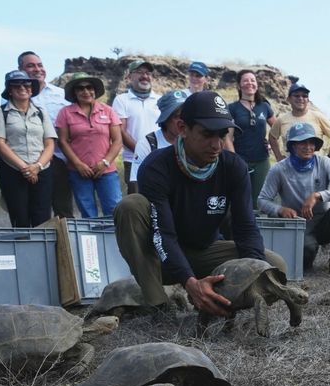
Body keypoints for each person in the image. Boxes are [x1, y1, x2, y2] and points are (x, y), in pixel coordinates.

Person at [113, 91, 286, 316]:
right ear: (183, 128)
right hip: (160, 256)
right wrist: (189, 281)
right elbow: (163, 234)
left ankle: (216, 303)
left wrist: (255, 273)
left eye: (222, 135)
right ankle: (159, 304)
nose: (216, 145)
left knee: (274, 267)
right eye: (207, 134)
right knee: (130, 206)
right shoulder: (156, 167)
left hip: (204, 252)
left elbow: (245, 226)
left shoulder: (234, 167)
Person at [259, 122, 330, 272]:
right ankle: (309, 250)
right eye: (302, 142)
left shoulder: (325, 163)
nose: (308, 146)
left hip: (324, 222)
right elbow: (262, 201)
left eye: (311, 142)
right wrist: (280, 210)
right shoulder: (279, 169)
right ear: (292, 146)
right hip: (298, 224)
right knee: (304, 260)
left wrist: (318, 196)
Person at [0, 70, 55, 227]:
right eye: (16, 85)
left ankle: (43, 251)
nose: (22, 88)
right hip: (13, 171)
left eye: (26, 85)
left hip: (42, 170)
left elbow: (50, 143)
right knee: (20, 217)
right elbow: (0, 143)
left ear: (32, 89)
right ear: (10, 91)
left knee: (43, 218)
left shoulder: (41, 112)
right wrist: (25, 169)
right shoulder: (0, 111)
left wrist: (37, 167)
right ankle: (24, 251)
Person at [55, 73, 122, 218]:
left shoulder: (108, 111)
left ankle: (115, 241)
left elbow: (117, 140)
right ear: (74, 92)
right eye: (80, 88)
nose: (85, 91)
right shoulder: (65, 113)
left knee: (114, 209)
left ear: (95, 90)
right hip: (78, 172)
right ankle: (93, 241)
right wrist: (78, 165)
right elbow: (63, 141)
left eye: (89, 87)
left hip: (106, 170)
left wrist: (105, 162)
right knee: (87, 212)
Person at [20, 50, 75, 218]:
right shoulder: (13, 96)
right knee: (36, 210)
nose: (37, 69)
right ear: (20, 69)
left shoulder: (61, 94)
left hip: (60, 158)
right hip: (29, 160)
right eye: (30, 66)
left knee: (63, 210)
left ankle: (67, 244)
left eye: (40, 65)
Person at [113, 59, 161, 193]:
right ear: (129, 76)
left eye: (148, 73)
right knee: (137, 201)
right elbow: (121, 131)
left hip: (160, 158)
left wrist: (156, 154)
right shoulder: (121, 100)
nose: (144, 76)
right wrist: (143, 151)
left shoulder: (160, 100)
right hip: (133, 160)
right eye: (139, 72)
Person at [227, 70, 275, 199]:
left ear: (257, 85)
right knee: (240, 197)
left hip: (262, 160)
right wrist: (235, 160)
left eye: (253, 80)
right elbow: (227, 138)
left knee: (260, 199)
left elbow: (277, 130)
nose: (250, 83)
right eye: (246, 80)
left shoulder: (264, 107)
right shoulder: (232, 108)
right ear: (239, 86)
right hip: (241, 159)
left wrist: (271, 144)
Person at [268, 82, 330, 161]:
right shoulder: (281, 120)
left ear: (308, 100)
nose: (300, 98)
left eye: (304, 96)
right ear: (288, 99)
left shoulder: (318, 117)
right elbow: (272, 137)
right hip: (290, 168)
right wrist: (278, 156)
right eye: (296, 95)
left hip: (315, 168)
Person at [131, 89, 190, 181]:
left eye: (185, 115)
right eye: (176, 117)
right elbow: (135, 181)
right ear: (165, 119)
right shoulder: (148, 144)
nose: (182, 121)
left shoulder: (194, 142)